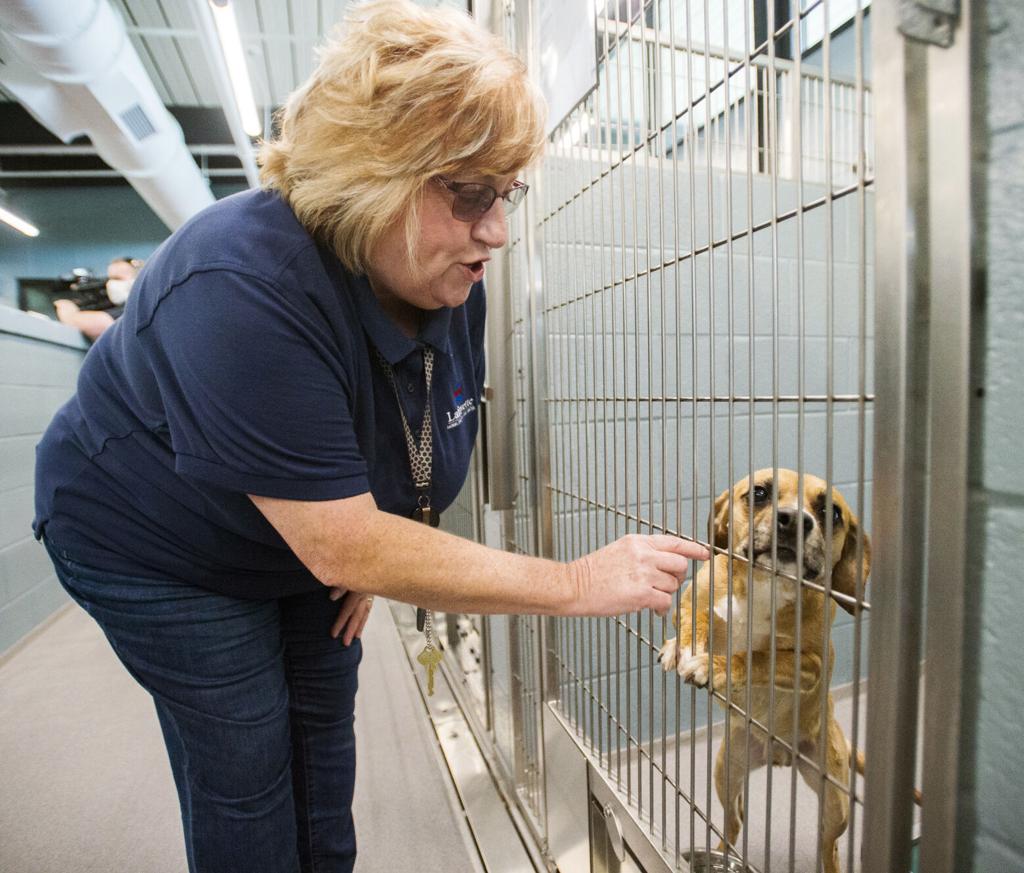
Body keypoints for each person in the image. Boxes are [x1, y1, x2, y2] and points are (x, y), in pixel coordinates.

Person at [32, 2, 709, 871]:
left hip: (300, 534)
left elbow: (403, 450)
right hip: (153, 540)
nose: (497, 230)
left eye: (506, 193)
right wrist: (571, 580)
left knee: (323, 732)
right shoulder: (239, 282)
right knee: (245, 755)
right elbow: (343, 538)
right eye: (469, 193)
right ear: (371, 176)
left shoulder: (445, 279)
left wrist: (374, 548)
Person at [53, 255, 143, 340]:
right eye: (110, 279)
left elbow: (103, 324)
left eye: (117, 278)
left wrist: (68, 311)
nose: (110, 283)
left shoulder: (137, 305)